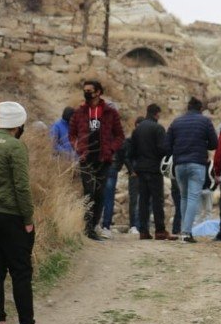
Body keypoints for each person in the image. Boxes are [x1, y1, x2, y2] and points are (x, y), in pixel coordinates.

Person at [0, 101, 58, 324]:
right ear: (19, 125)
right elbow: (22, 186)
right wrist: (28, 219)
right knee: (21, 272)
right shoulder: (15, 146)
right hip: (10, 215)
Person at [69, 80, 125, 241]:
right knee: (88, 192)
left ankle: (93, 226)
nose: (86, 93)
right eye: (84, 90)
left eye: (90, 90)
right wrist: (77, 147)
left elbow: (120, 135)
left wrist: (111, 149)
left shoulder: (110, 112)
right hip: (86, 158)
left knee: (100, 194)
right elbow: (72, 134)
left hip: (104, 159)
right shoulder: (79, 112)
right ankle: (86, 227)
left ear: (98, 92)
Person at [166, 96, 217, 243]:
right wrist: (201, 145)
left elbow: (167, 145)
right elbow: (214, 143)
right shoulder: (205, 121)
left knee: (183, 197)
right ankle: (187, 233)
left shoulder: (176, 122)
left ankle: (183, 230)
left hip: (179, 165)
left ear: (187, 108)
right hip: (197, 164)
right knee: (193, 197)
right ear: (200, 109)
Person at [128, 104, 176, 240]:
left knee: (143, 200)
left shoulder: (137, 130)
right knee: (157, 200)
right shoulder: (158, 128)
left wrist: (134, 168)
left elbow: (131, 152)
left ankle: (143, 231)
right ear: (156, 114)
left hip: (141, 170)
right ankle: (160, 231)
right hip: (154, 169)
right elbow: (163, 149)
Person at [125, 116, 144, 234]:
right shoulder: (130, 141)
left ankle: (141, 224)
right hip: (134, 174)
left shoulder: (145, 140)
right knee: (134, 200)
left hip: (143, 173)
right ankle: (133, 225)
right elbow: (127, 157)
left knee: (144, 199)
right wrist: (132, 171)